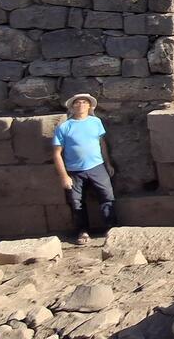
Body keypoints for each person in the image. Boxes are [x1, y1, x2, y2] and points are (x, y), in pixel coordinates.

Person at [52, 93, 117, 244]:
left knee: (107, 196)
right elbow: (56, 153)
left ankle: (111, 228)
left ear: (89, 106)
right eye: (77, 103)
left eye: (84, 102)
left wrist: (108, 163)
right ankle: (83, 231)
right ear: (72, 106)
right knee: (76, 202)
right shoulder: (64, 127)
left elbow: (102, 143)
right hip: (75, 171)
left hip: (97, 166)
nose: (80, 105)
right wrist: (64, 176)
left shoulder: (96, 122)